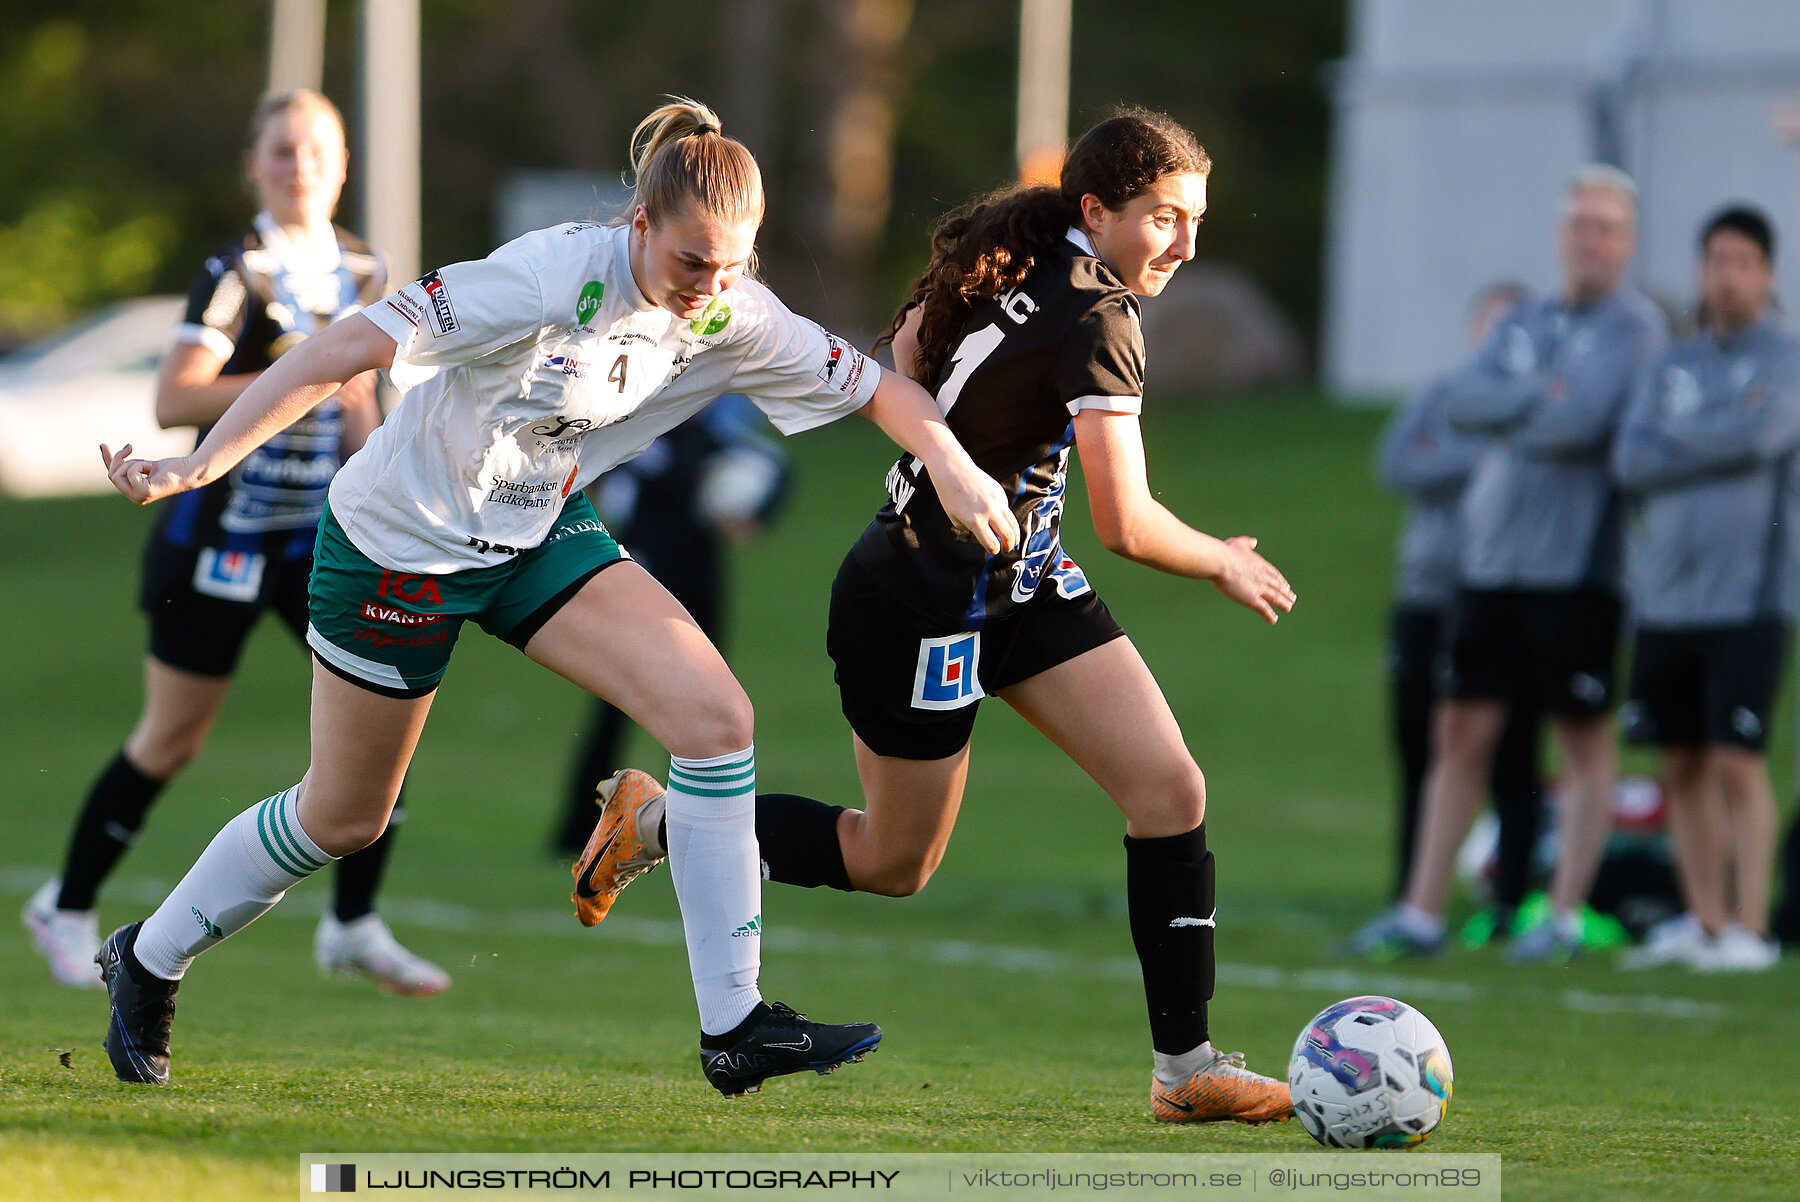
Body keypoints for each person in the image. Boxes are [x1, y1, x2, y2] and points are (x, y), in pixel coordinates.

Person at [92, 97, 1019, 1095]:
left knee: (716, 720)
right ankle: (146, 957)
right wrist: (200, 463)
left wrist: (956, 466)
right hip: (399, 543)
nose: (711, 290)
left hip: (534, 533)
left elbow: (881, 387)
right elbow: (344, 348)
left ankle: (736, 1024)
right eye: (691, 262)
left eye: (733, 264)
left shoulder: (733, 308)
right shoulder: (542, 276)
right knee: (344, 816)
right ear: (638, 227)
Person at [573, 109, 1299, 1125]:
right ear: (1097, 210)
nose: (1185, 242)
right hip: (919, 600)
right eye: (1164, 218)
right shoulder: (1096, 313)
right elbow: (1127, 521)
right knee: (893, 861)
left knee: (1171, 787)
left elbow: (908, 358)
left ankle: (1185, 1069)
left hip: (1024, 581)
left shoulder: (1024, 259)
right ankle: (655, 819)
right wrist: (1222, 556)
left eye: (1195, 219)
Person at [21, 89, 447, 997]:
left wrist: (371, 446)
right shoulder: (238, 269)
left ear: (342, 166)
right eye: (283, 151)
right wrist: (299, 374)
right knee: (171, 741)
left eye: (317, 152)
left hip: (315, 544)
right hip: (217, 538)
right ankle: (64, 905)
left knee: (382, 721)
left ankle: (353, 925)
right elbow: (174, 400)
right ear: (254, 165)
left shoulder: (368, 273)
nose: (301, 167)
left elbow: (363, 412)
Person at [1345, 164, 1667, 963]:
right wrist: (1542, 397)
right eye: (1579, 224)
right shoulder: (1525, 320)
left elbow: (1588, 418)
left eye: (1606, 227)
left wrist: (1524, 402)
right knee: (1460, 728)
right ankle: (1419, 914)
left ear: (1626, 243)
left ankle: (1558, 918)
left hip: (1581, 568)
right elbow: (1464, 401)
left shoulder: (1636, 328)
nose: (1589, 239)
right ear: (1561, 235)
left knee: (1582, 738)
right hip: (1491, 564)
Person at [1613, 204, 1797, 972]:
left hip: (1749, 597)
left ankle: (1751, 928)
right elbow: (1630, 459)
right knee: (1679, 762)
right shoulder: (1673, 362)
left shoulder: (1786, 358)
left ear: (1768, 273)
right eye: (1715, 260)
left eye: (1742, 262)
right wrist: (1716, 435)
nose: (1726, 275)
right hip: (1667, 599)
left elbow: (1763, 437)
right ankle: (1706, 919)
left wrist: (1681, 440)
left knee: (1736, 762)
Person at [1374, 281, 1543, 947]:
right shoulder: (1443, 395)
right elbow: (1397, 464)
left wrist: (1462, 455)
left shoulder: (1526, 404)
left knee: (1513, 754)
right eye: (1489, 325)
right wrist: (1477, 452)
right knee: (1422, 746)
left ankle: (1511, 902)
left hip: (1499, 589)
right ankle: (1411, 894)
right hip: (1426, 594)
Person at [550, 394, 790, 855]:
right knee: (614, 708)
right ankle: (578, 827)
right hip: (642, 583)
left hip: (700, 584)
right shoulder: (640, 437)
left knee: (700, 706)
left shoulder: (713, 439)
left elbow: (773, 471)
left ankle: (690, 826)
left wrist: (751, 515)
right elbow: (599, 480)